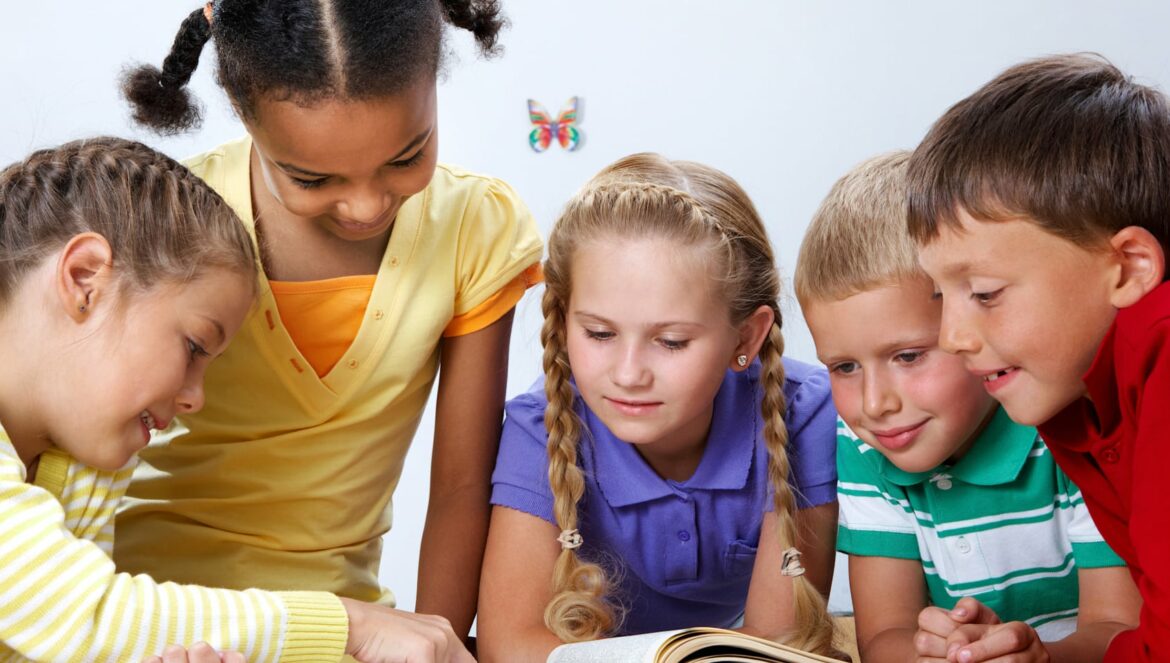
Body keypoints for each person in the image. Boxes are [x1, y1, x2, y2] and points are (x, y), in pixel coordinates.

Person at [116, 0, 543, 644]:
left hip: (346, 632)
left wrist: (432, 642)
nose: (366, 205)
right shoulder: (167, 219)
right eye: (312, 176)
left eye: (407, 156)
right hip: (150, 617)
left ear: (434, 78)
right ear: (239, 105)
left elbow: (459, 486)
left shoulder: (474, 231)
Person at [0, 137, 472, 663]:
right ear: (85, 278)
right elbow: (88, 618)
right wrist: (350, 624)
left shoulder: (84, 465)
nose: (195, 398)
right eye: (195, 347)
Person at [477, 153, 841, 662]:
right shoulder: (538, 429)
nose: (628, 373)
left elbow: (774, 646)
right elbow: (512, 647)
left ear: (747, 336)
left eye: (670, 342)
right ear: (562, 321)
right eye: (599, 333)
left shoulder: (802, 411)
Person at [795, 150, 1140, 663]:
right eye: (844, 367)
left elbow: (1120, 627)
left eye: (909, 356)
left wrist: (1035, 656)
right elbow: (883, 635)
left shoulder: (1065, 425)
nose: (875, 403)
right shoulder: (865, 444)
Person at [910, 53, 1170, 663]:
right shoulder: (1076, 403)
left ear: (1129, 268)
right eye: (940, 297)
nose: (952, 336)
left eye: (984, 293)